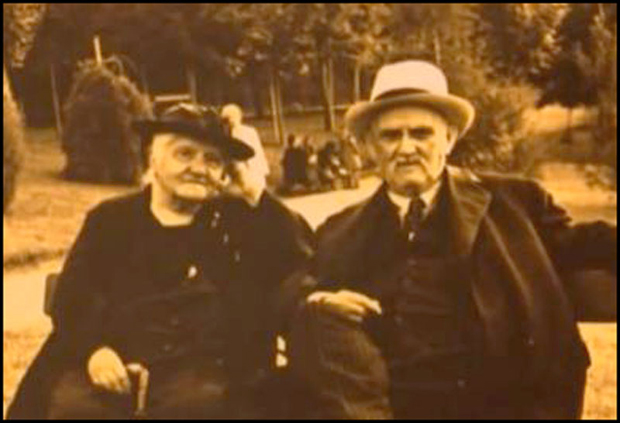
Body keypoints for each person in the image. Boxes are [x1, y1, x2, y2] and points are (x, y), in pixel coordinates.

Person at [288, 60, 617, 419]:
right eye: (390, 136)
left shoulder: (516, 202)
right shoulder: (340, 231)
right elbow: (297, 287)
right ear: (368, 146)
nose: (406, 148)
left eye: (421, 133)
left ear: (449, 138)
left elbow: (586, 243)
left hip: (506, 406)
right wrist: (318, 300)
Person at [7, 103, 314, 419]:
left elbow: (300, 253)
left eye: (212, 160)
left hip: (209, 373)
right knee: (74, 409)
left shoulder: (237, 220)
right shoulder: (111, 219)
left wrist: (253, 194)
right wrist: (95, 351)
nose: (199, 168)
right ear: (153, 159)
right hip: (113, 362)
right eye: (185, 154)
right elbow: (74, 295)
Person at [221, 103, 270, 186]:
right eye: (226, 120)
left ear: (239, 117)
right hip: (236, 170)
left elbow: (257, 151)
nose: (229, 122)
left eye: (231, 118)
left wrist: (262, 169)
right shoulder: (226, 134)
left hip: (252, 168)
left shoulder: (249, 131)